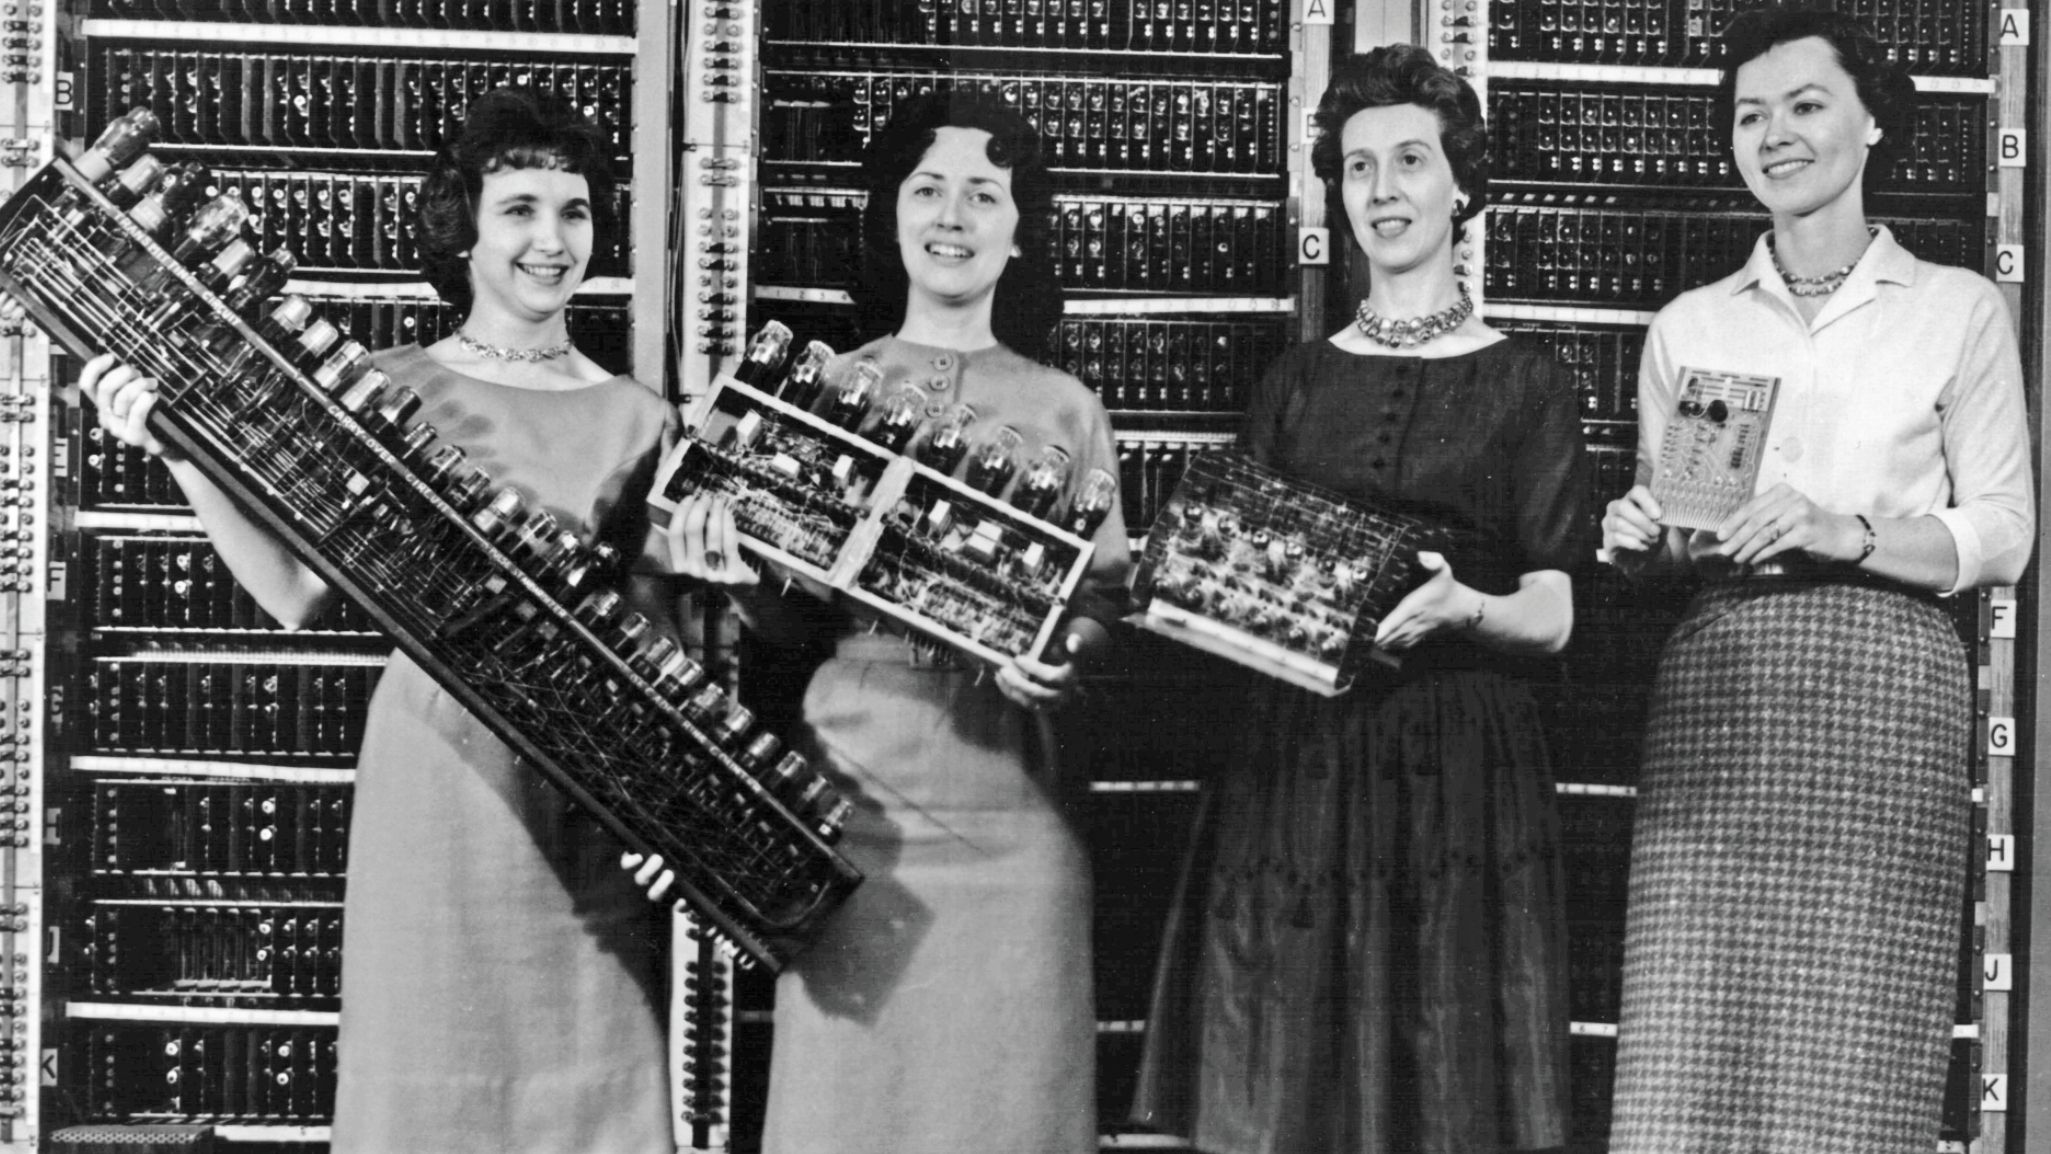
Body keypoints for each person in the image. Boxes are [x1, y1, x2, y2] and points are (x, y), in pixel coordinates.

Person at [80, 87, 679, 1152]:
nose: (551, 241)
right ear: (464, 229)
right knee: (426, 1086)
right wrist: (178, 450)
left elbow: (656, 647)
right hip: (436, 787)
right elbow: (295, 593)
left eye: (574, 212)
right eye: (519, 210)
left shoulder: (640, 418)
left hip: (584, 801)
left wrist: (672, 818)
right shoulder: (382, 388)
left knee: (591, 1093)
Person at [1129, 44, 1588, 1154]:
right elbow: (1230, 593)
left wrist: (1463, 608)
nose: (1382, 190)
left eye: (1410, 161)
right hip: (1298, 762)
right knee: (1288, 1085)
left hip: (1457, 772)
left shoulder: (1528, 380)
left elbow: (1553, 612)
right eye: (1356, 167)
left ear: (1461, 184)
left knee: (1444, 1090)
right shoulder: (1292, 382)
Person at [1600, 8, 2033, 1152]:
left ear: (1871, 119)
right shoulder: (1692, 325)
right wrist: (1641, 540)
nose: (1773, 135)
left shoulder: (1952, 308)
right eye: (1749, 116)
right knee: (1690, 1050)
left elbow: (2002, 531)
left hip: (1881, 695)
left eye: (1803, 105)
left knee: (1852, 1051)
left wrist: (1846, 531)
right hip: (1719, 694)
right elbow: (1682, 545)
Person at [667, 90, 1130, 1154]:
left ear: (1019, 231)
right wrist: (732, 574)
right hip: (854, 811)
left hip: (1016, 817)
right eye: (927, 190)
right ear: (890, 215)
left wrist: (1064, 655)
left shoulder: (1067, 406)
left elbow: (1101, 604)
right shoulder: (828, 387)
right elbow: (789, 629)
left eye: (983, 194)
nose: (952, 216)